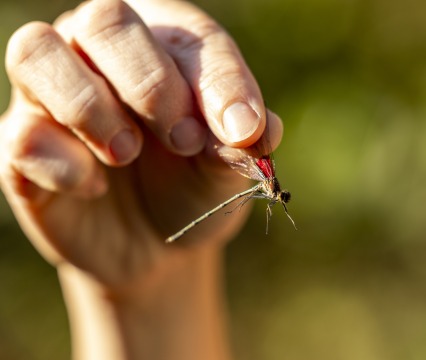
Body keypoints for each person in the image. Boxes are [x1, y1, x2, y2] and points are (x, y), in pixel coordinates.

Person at [0, 0, 284, 359]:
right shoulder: (266, 179)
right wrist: (150, 296)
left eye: (280, 198)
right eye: (279, 197)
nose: (279, 197)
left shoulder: (267, 185)